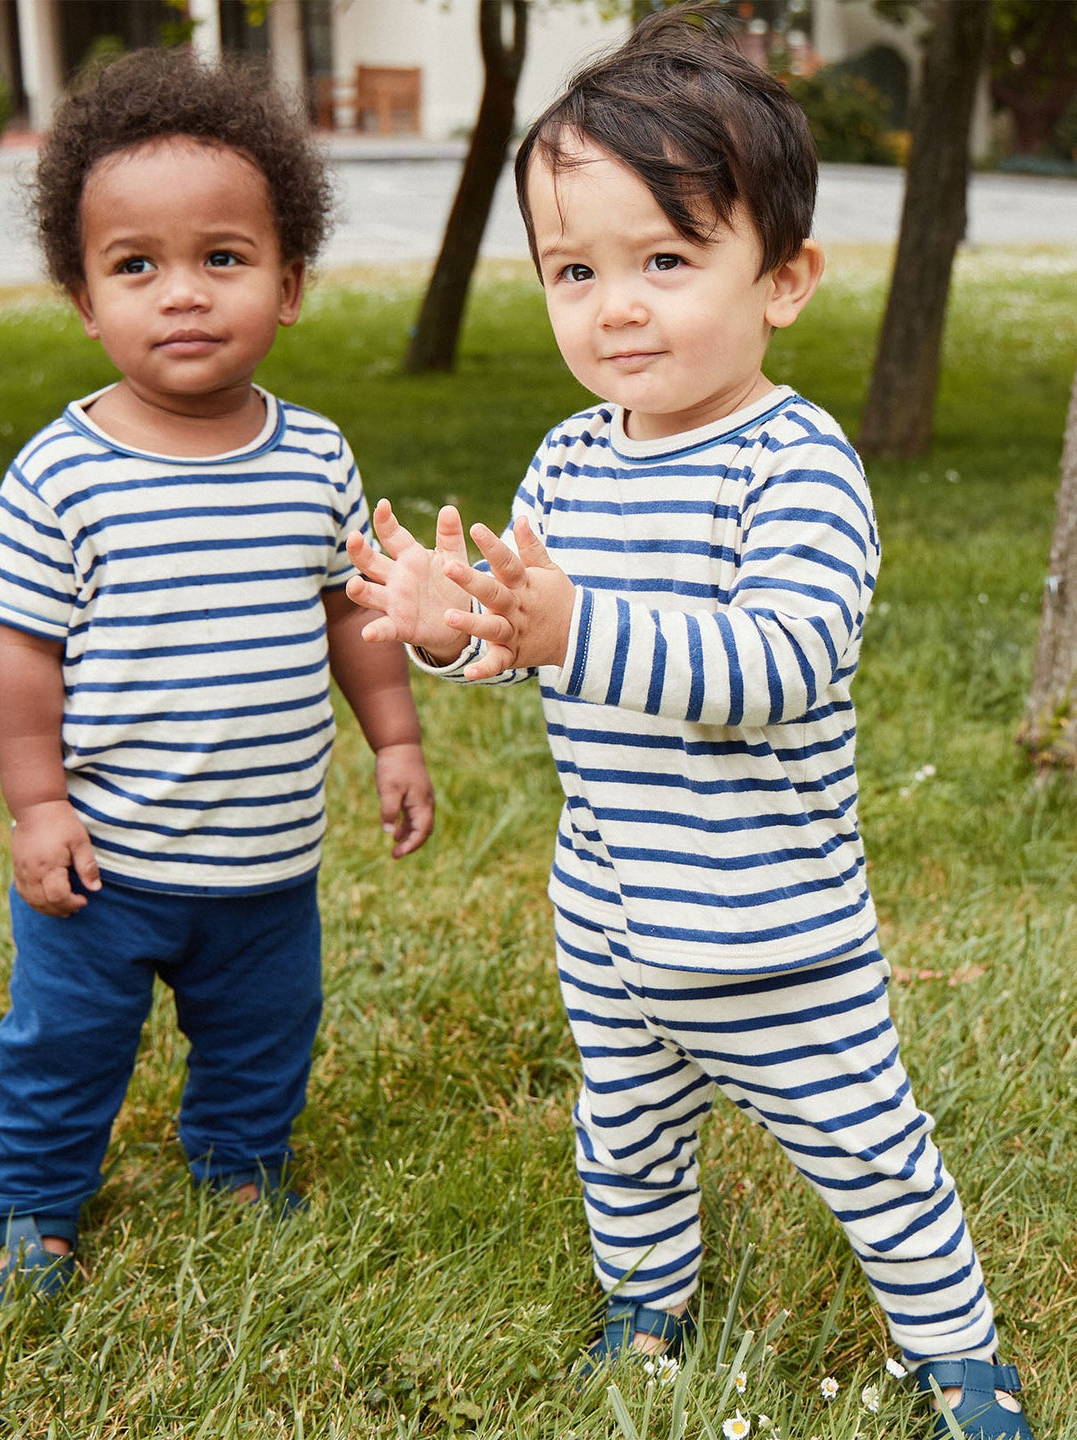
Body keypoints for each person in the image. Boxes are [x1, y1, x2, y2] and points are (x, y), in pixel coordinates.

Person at [343, 10, 1033, 1437]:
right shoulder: (568, 458)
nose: (618, 308)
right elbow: (536, 640)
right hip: (606, 907)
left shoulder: (796, 465)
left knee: (869, 1151)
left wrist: (571, 627)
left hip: (772, 929)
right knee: (625, 1133)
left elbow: (779, 660)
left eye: (666, 260)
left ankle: (958, 1357)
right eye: (576, 270)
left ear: (783, 280)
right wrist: (459, 622)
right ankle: (644, 1300)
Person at [0, 47, 433, 1309]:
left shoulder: (316, 456)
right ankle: (32, 1202)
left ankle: (239, 1161)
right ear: (84, 298)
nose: (182, 294)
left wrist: (395, 739)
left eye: (223, 258)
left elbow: (348, 610)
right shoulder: (62, 474)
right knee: (66, 1042)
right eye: (136, 267)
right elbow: (21, 654)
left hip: (268, 860)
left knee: (265, 1030)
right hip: (105, 862)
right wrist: (38, 806)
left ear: (291, 284)